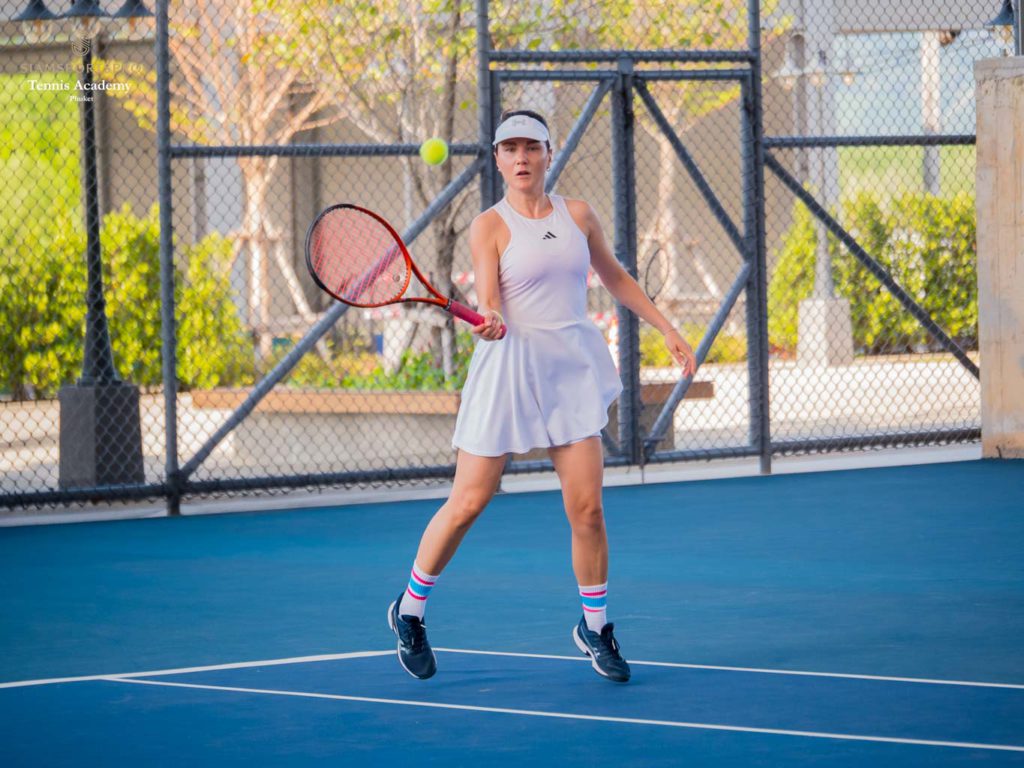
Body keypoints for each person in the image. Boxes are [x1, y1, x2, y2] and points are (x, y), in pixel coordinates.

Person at [388, 109, 696, 683]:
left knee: (588, 510)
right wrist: (490, 319)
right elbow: (489, 296)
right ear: (498, 159)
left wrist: (666, 327)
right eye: (510, 149)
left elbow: (614, 276)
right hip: (507, 372)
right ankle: (409, 610)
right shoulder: (488, 226)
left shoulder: (578, 215)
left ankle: (595, 626)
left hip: (569, 372)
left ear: (549, 154)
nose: (521, 158)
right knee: (468, 503)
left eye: (531, 147)